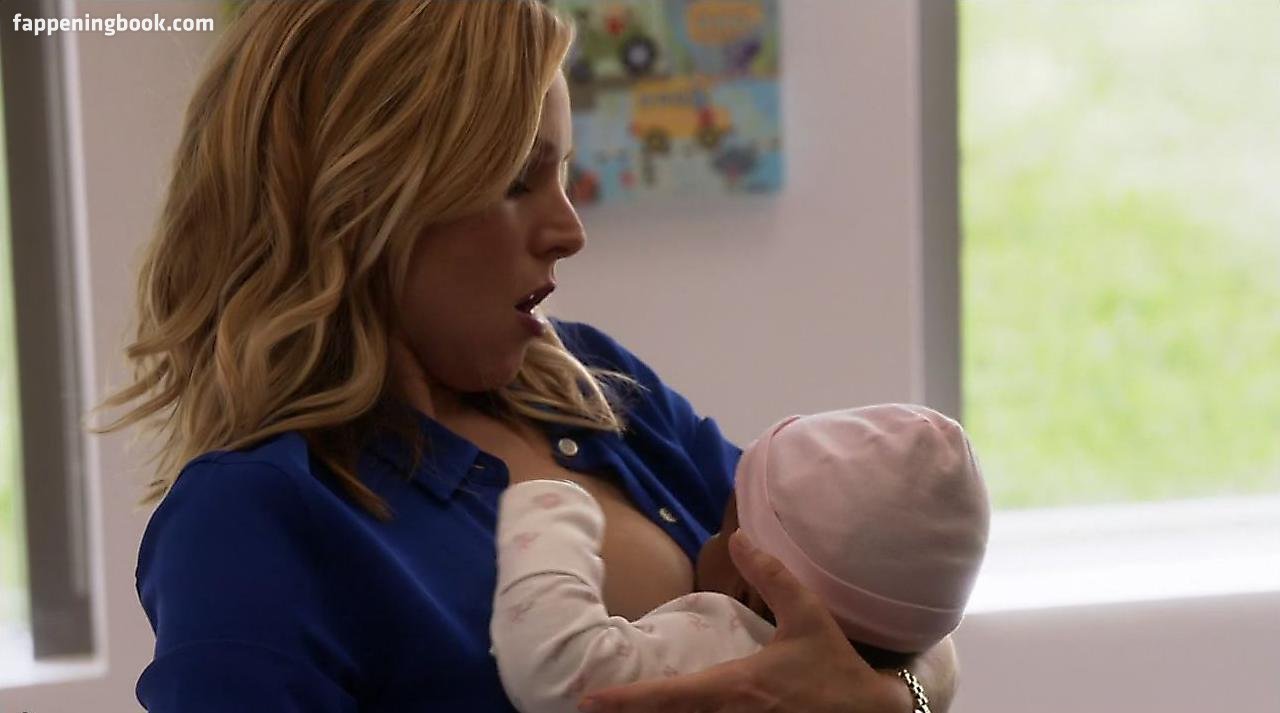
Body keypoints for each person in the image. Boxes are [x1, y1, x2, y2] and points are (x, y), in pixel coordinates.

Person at [100, 2, 959, 711]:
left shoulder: (601, 387)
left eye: (563, 173)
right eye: (518, 178)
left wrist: (897, 699)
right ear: (360, 199)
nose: (569, 230)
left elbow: (884, 605)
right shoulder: (251, 519)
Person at [490, 405, 989, 713]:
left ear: (750, 587)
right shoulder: (876, 654)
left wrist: (548, 514)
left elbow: (560, 672)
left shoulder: (726, 647)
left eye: (723, 526)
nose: (704, 535)